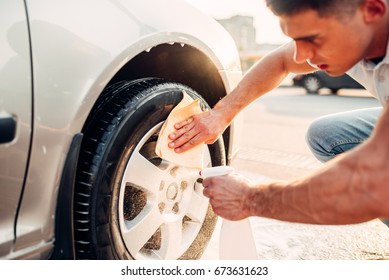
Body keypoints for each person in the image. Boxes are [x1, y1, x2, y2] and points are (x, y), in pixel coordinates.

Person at [167, 0, 389, 225]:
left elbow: (373, 184)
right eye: (296, 40)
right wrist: (220, 115)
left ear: (372, 10)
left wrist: (249, 199)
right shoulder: (356, 33)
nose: (303, 57)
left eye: (313, 39)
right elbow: (282, 61)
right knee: (326, 135)